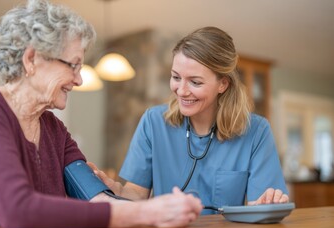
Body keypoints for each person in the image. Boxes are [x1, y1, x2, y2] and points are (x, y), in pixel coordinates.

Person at [0, 0, 202, 228]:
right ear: (31, 59)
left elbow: (96, 199)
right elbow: (17, 211)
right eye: (73, 65)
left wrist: (162, 211)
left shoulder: (54, 130)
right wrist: (147, 213)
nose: (79, 80)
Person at [90, 26, 290, 215]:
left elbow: (260, 206)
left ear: (223, 84)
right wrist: (115, 189)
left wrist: (269, 205)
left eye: (195, 82)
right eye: (176, 77)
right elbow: (136, 195)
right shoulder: (153, 123)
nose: (182, 91)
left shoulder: (256, 131)